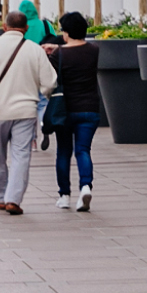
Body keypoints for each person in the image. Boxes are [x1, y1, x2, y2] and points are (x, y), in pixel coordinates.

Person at [0, 8, 54, 215]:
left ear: (4, 27)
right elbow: (50, 83)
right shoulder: (35, 50)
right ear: (26, 28)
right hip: (25, 112)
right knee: (21, 155)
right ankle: (13, 199)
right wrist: (44, 95)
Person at [46, 12, 105, 213]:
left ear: (66, 32)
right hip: (89, 109)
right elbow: (78, 49)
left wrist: (54, 49)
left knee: (63, 151)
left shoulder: (58, 55)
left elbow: (50, 78)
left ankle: (64, 195)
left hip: (65, 111)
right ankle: (86, 186)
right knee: (83, 150)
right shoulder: (94, 50)